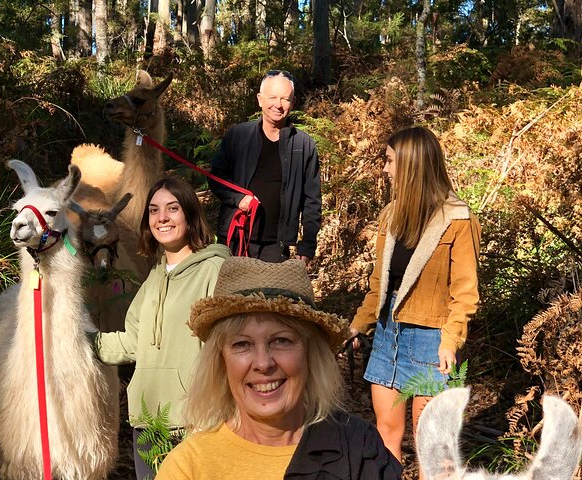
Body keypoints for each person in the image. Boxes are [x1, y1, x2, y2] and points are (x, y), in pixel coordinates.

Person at [156, 257, 403, 479]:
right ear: (221, 360)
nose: (263, 363)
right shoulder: (188, 468)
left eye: (281, 341)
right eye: (242, 344)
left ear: (309, 353)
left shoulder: (358, 449)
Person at [346, 126, 481, 467]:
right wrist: (358, 327)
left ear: (411, 166)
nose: (385, 169)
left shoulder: (458, 220)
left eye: (390, 161)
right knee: (386, 434)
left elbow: (465, 292)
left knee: (429, 445)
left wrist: (450, 341)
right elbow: (380, 282)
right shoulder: (391, 215)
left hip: (431, 339)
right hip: (388, 333)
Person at [90, 176, 231, 480]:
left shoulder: (215, 270)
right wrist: (81, 341)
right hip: (149, 422)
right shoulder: (154, 279)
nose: (162, 218)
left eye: (172, 208)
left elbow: (230, 348)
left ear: (191, 215)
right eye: (153, 211)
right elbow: (132, 342)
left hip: (196, 423)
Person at [210, 70, 321, 265]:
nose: (278, 105)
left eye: (285, 99)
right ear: (260, 100)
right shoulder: (238, 135)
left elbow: (312, 200)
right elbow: (216, 177)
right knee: (231, 296)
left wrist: (308, 244)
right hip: (235, 239)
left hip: (275, 247)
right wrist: (238, 199)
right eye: (272, 98)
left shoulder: (304, 145)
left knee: (269, 296)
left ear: (292, 103)